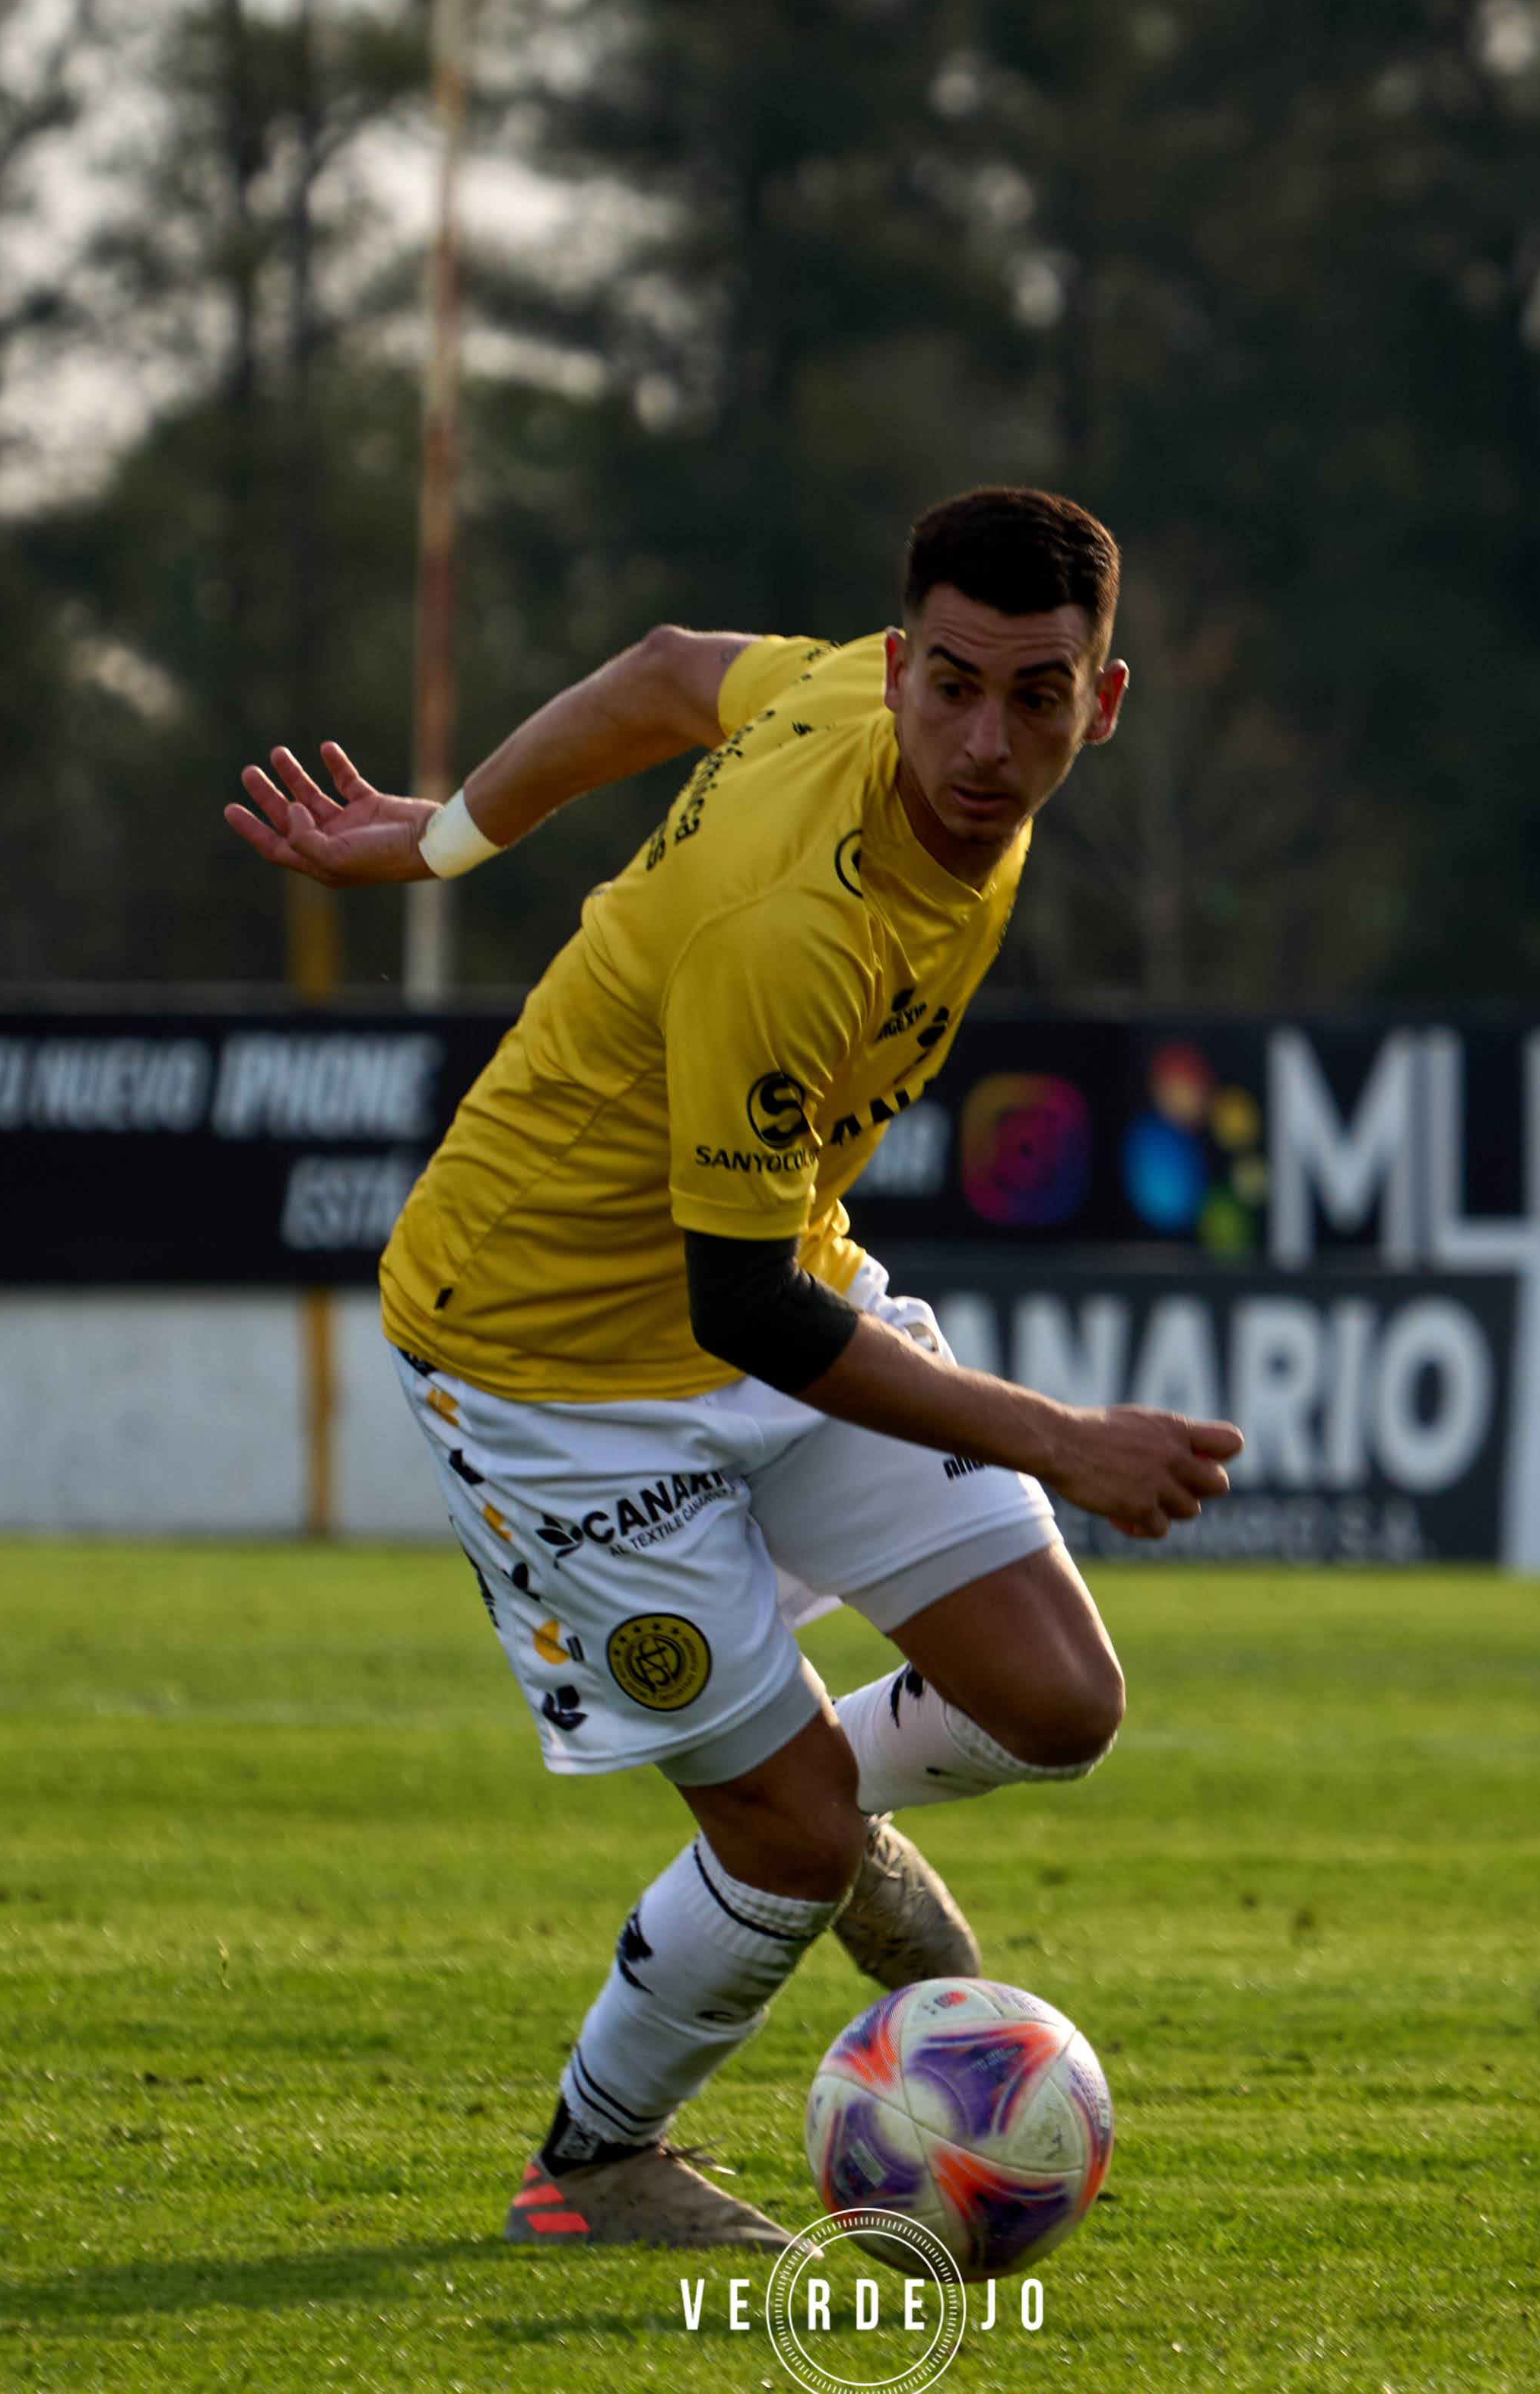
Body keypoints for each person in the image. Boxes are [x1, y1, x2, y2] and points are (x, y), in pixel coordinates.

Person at [226, 487, 1245, 2250]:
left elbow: (665, 669)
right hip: (544, 1357)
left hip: (763, 1263)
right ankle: (598, 2161)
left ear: (1106, 698)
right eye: (950, 687)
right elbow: (749, 1318)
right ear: (897, 661)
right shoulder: (797, 922)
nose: (983, 742)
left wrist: (447, 838)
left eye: (1035, 695)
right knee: (774, 1835)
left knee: (1056, 1704)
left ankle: (831, 1824)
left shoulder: (848, 697)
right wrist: (1061, 1438)